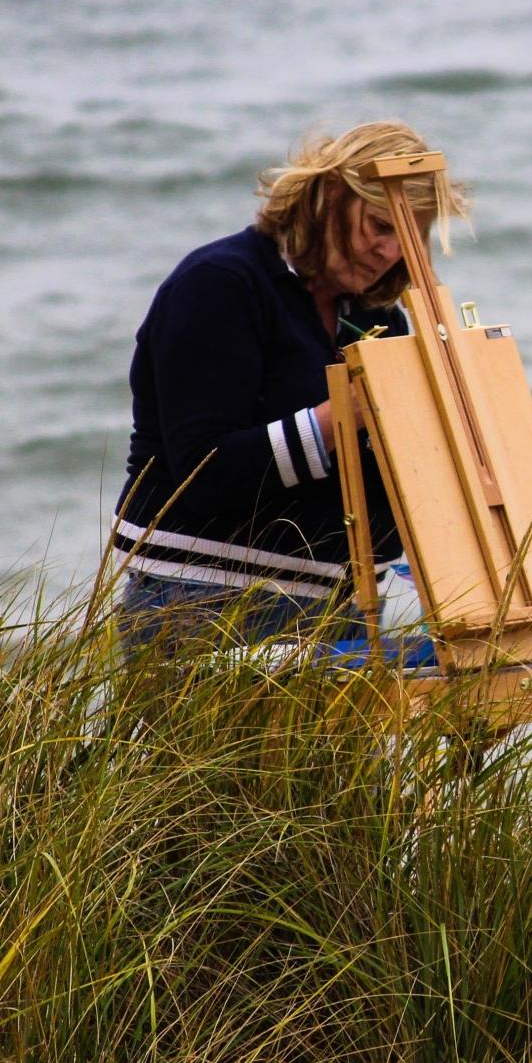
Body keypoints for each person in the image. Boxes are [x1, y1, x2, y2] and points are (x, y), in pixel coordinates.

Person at [113, 121, 468, 662]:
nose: (390, 252)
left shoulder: (375, 319)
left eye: (410, 236)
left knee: (486, 664)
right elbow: (202, 474)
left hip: (338, 608)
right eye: (380, 225)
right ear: (330, 195)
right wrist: (342, 414)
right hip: (199, 599)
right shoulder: (220, 284)